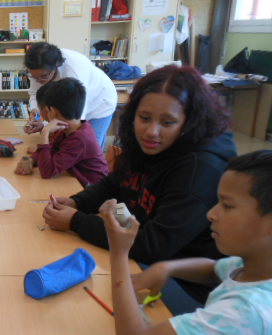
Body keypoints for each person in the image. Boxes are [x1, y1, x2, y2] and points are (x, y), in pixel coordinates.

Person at [43, 66, 236, 304]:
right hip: (142, 254)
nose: (151, 131)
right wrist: (77, 202)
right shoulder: (149, 145)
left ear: (189, 123)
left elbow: (153, 245)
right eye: (144, 118)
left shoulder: (201, 169)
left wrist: (76, 221)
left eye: (168, 122)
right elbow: (115, 183)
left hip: (188, 285)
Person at [100, 149, 272, 335]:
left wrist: (119, 253)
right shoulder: (255, 265)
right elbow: (214, 268)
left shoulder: (249, 312)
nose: (211, 213)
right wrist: (168, 268)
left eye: (227, 205)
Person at [14, 78, 108, 186]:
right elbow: (51, 151)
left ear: (52, 111)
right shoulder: (67, 128)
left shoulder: (80, 138)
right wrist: (31, 160)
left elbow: (47, 171)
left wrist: (45, 133)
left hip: (94, 190)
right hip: (77, 182)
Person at [23, 42, 117, 148]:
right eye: (34, 77)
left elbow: (76, 121)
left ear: (56, 66)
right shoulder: (39, 68)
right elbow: (35, 92)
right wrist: (36, 110)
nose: (38, 81)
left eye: (43, 76)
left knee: (86, 146)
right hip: (74, 111)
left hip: (99, 103)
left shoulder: (73, 73)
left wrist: (46, 127)